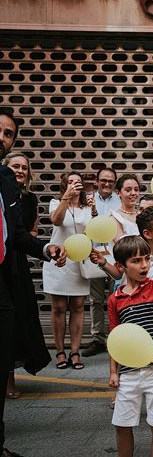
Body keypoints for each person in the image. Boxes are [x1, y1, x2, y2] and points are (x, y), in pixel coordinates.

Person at [0, 107, 67, 457]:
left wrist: (46, 247)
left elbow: (17, 236)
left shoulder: (6, 181)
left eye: (8, 133)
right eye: (0, 130)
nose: (2, 137)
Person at [107, 236, 153, 457]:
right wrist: (113, 372)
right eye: (137, 261)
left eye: (147, 259)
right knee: (122, 424)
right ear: (121, 266)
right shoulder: (115, 299)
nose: (145, 265)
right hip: (128, 372)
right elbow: (115, 338)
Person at [0, 152, 49, 400]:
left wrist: (43, 248)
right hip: (6, 258)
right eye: (15, 166)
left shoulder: (29, 199)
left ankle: (10, 378)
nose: (20, 170)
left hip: (18, 263)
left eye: (24, 168)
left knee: (17, 321)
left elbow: (29, 232)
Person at [43, 172, 94, 371]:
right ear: (64, 185)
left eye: (78, 182)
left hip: (78, 262)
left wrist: (94, 209)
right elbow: (56, 221)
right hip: (58, 259)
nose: (75, 185)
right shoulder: (55, 203)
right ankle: (59, 351)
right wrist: (66, 197)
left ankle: (74, 352)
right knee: (58, 308)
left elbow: (93, 232)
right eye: (71, 182)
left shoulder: (87, 207)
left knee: (79, 306)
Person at [83, 167, 120, 358]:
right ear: (97, 181)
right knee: (96, 300)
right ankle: (98, 338)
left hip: (116, 256)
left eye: (110, 181)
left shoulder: (119, 199)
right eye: (103, 180)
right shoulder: (88, 199)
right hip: (95, 254)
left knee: (117, 297)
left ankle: (118, 336)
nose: (107, 184)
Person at [111, 174, 141, 240]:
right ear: (118, 193)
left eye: (136, 189)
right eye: (128, 190)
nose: (133, 193)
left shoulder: (142, 215)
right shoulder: (115, 218)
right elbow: (121, 246)